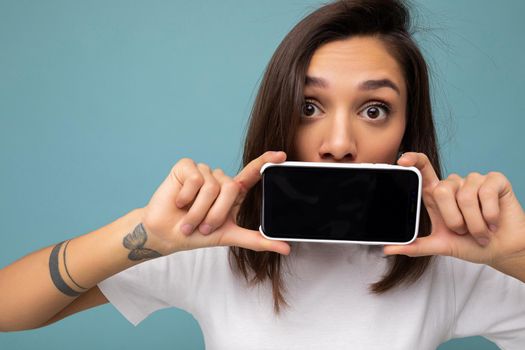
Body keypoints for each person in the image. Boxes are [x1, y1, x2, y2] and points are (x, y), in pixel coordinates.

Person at [1, 0, 524, 348]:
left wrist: (516, 255)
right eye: (309, 106)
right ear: (278, 114)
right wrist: (143, 235)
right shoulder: (211, 244)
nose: (339, 144)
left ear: (408, 128)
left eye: (374, 110)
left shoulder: (449, 259)